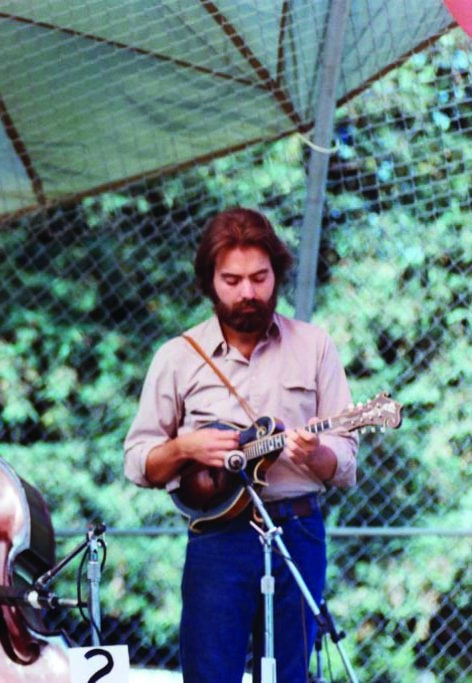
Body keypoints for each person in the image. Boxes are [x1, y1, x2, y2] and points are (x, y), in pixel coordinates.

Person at [123, 207, 358, 682]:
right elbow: (138, 462)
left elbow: (347, 462)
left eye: (259, 277)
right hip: (217, 540)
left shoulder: (315, 346)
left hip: (297, 529)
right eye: (232, 280)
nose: (248, 292)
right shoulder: (176, 357)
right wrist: (187, 448)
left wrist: (316, 454)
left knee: (291, 674)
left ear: (278, 274)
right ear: (210, 282)